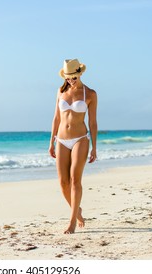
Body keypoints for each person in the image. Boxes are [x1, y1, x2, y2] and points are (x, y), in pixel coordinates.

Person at [48, 59, 98, 234]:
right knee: (63, 182)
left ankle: (72, 222)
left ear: (80, 73)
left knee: (75, 179)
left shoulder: (90, 94)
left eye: (74, 77)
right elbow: (56, 118)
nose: (70, 80)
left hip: (80, 139)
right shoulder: (61, 91)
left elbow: (92, 123)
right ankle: (77, 210)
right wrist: (51, 141)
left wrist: (94, 147)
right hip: (61, 140)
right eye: (68, 77)